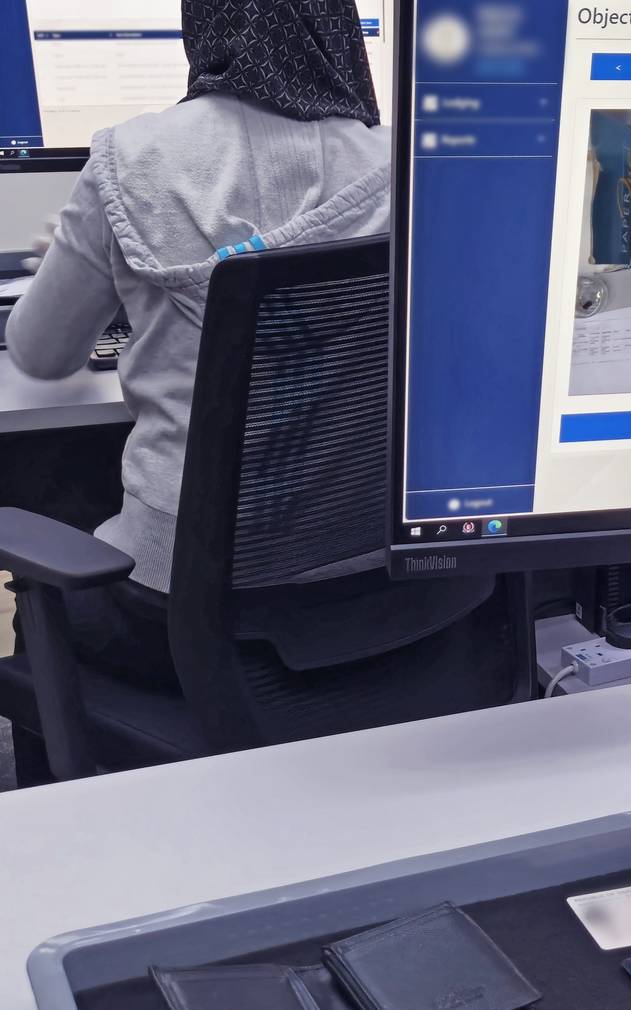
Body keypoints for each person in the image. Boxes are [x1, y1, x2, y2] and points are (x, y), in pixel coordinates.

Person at [6, 0, 390, 687]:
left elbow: (39, 355)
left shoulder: (131, 158)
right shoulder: (409, 166)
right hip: (393, 589)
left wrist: (88, 268)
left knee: (54, 480)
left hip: (178, 617)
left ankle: (64, 779)